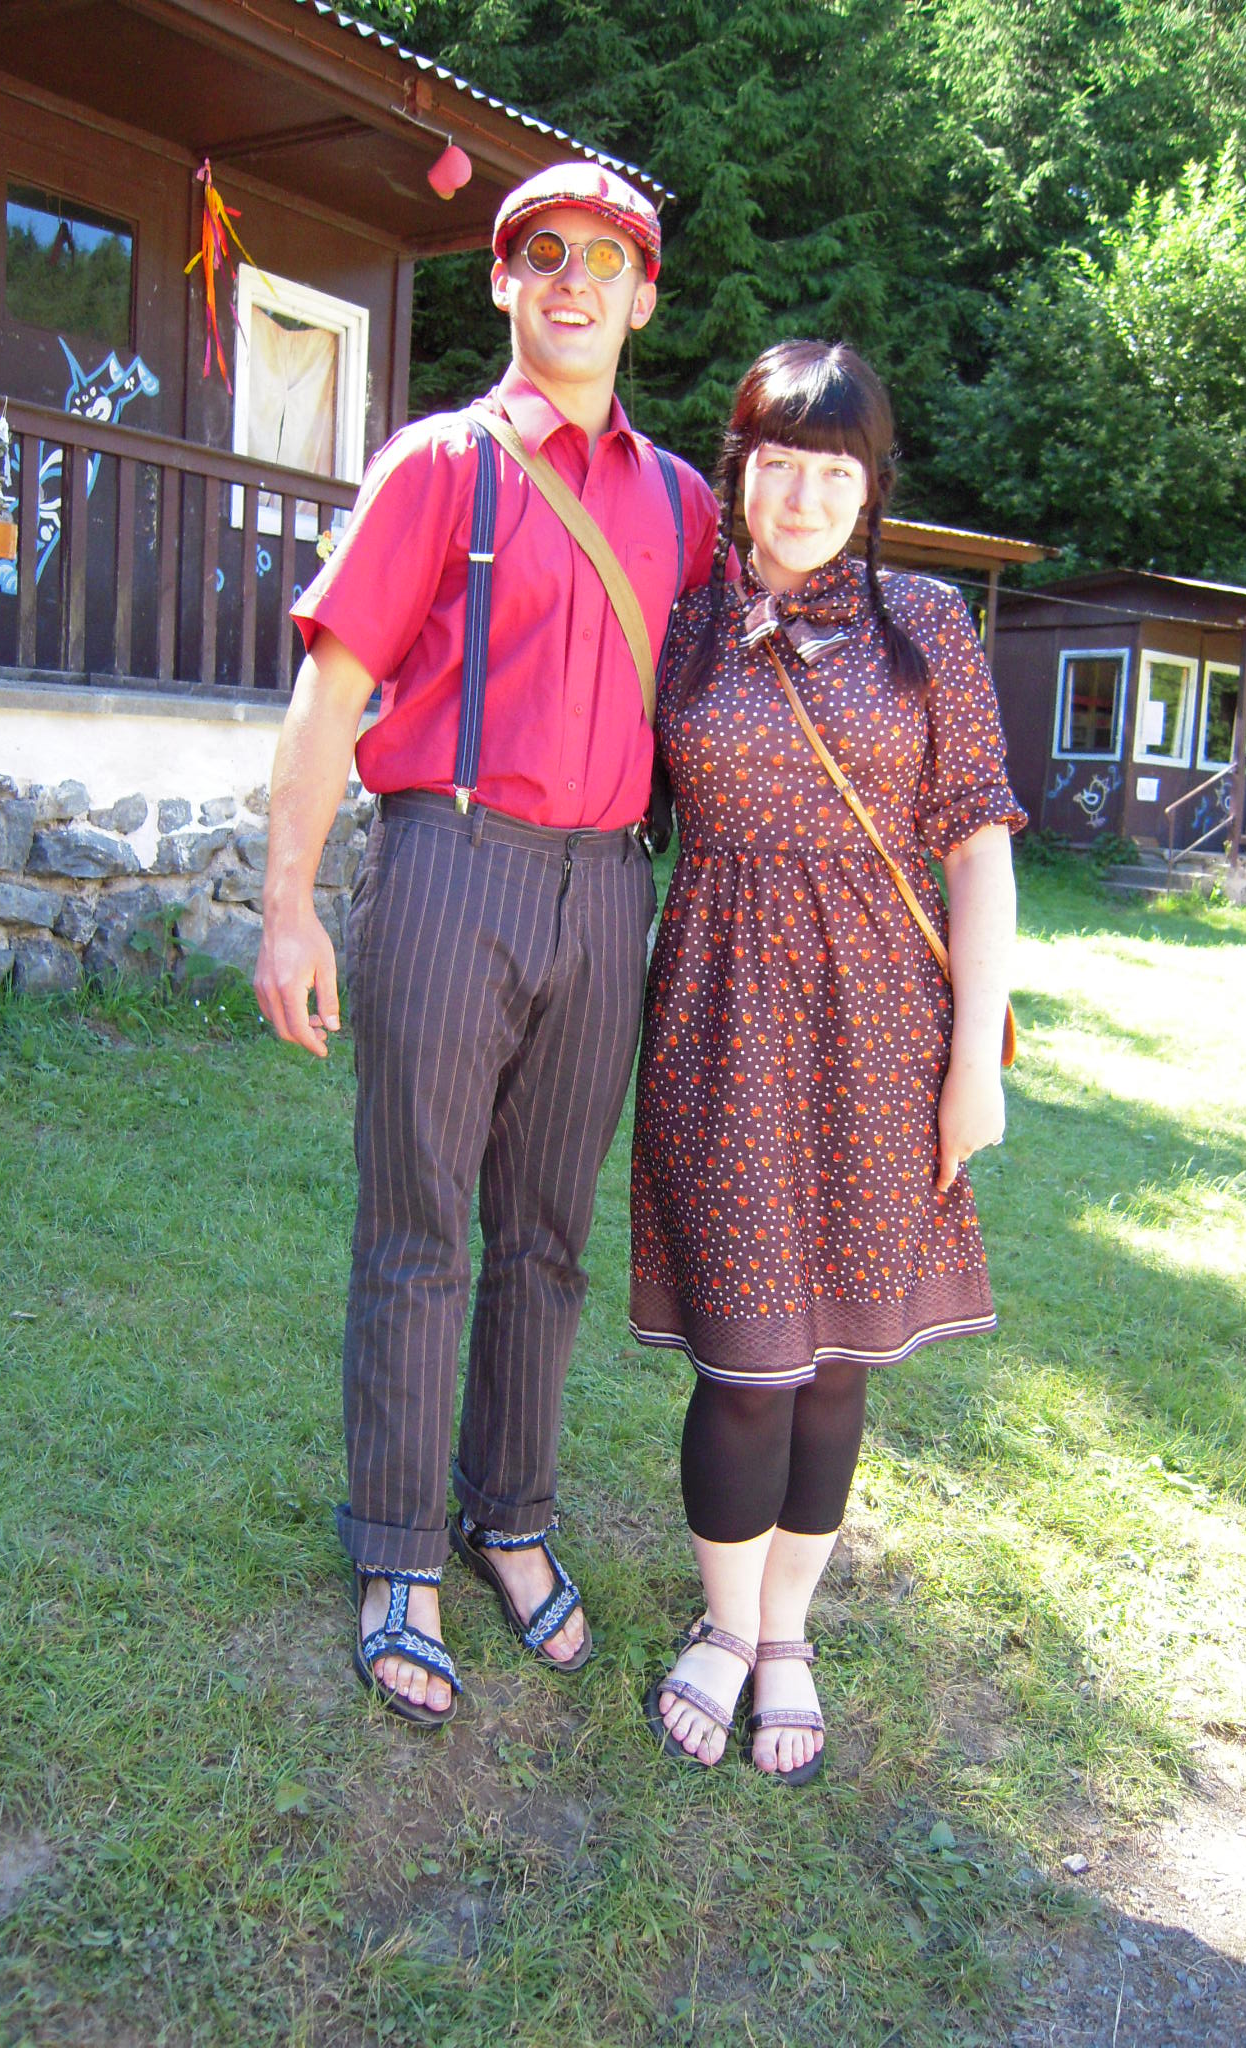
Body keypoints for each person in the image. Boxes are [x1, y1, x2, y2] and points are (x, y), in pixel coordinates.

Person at [255, 162, 719, 1726]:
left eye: (607, 258)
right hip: (451, 865)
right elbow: (330, 692)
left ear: (644, 296)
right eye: (545, 253)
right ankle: (396, 1551)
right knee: (419, 1227)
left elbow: (737, 708)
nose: (575, 279)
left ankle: (507, 1519)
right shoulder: (438, 465)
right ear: (506, 282)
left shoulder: (686, 506)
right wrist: (287, 906)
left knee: (548, 1237)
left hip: (610, 886)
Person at [629, 341, 1024, 1782]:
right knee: (745, 1361)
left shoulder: (927, 625)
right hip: (719, 1021)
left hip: (883, 1033)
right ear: (738, 472)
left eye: (835, 470)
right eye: (778, 464)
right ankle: (724, 1625)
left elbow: (978, 851)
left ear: (873, 488)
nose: (803, 496)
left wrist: (975, 1061)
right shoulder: (683, 625)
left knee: (839, 1360)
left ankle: (788, 1631)